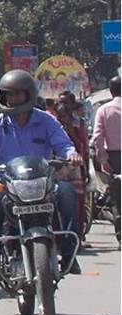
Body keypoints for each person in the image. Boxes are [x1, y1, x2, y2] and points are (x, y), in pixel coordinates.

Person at [0, 69, 82, 272]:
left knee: (67, 193)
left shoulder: (46, 120)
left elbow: (63, 143)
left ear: (28, 94)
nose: (12, 98)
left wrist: (71, 154)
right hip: (8, 185)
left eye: (17, 93)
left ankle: (69, 249)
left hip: (42, 184)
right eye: (8, 93)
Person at [55, 91, 90, 246]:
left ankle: (77, 237)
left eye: (65, 102)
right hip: (56, 167)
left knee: (77, 204)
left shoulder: (78, 123)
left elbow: (83, 146)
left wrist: (85, 168)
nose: (63, 105)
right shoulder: (51, 123)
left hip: (75, 167)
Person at [91, 76, 120, 214]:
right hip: (113, 157)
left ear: (111, 91)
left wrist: (103, 159)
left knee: (116, 193)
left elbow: (97, 137)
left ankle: (118, 217)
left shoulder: (104, 110)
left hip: (113, 158)